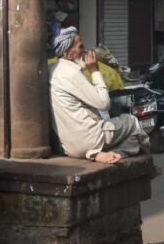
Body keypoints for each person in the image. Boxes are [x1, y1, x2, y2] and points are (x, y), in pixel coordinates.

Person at [49, 26, 150, 164]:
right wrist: (95, 71)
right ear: (68, 54)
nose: (85, 50)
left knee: (132, 142)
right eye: (80, 47)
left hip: (67, 146)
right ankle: (148, 157)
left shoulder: (52, 70)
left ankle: (96, 154)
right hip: (88, 138)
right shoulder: (71, 73)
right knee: (132, 122)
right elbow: (104, 104)